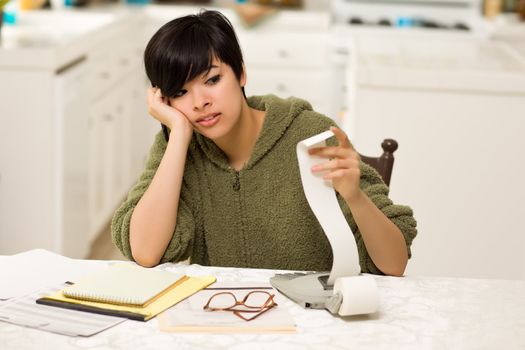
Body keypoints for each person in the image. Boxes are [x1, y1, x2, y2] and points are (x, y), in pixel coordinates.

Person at [111, 10, 417, 276]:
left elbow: (394, 264)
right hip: (225, 320)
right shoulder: (178, 143)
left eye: (212, 80)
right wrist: (177, 132)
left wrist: (355, 197)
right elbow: (146, 252)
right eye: (180, 92)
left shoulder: (310, 133)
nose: (200, 103)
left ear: (241, 73)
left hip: (310, 327)